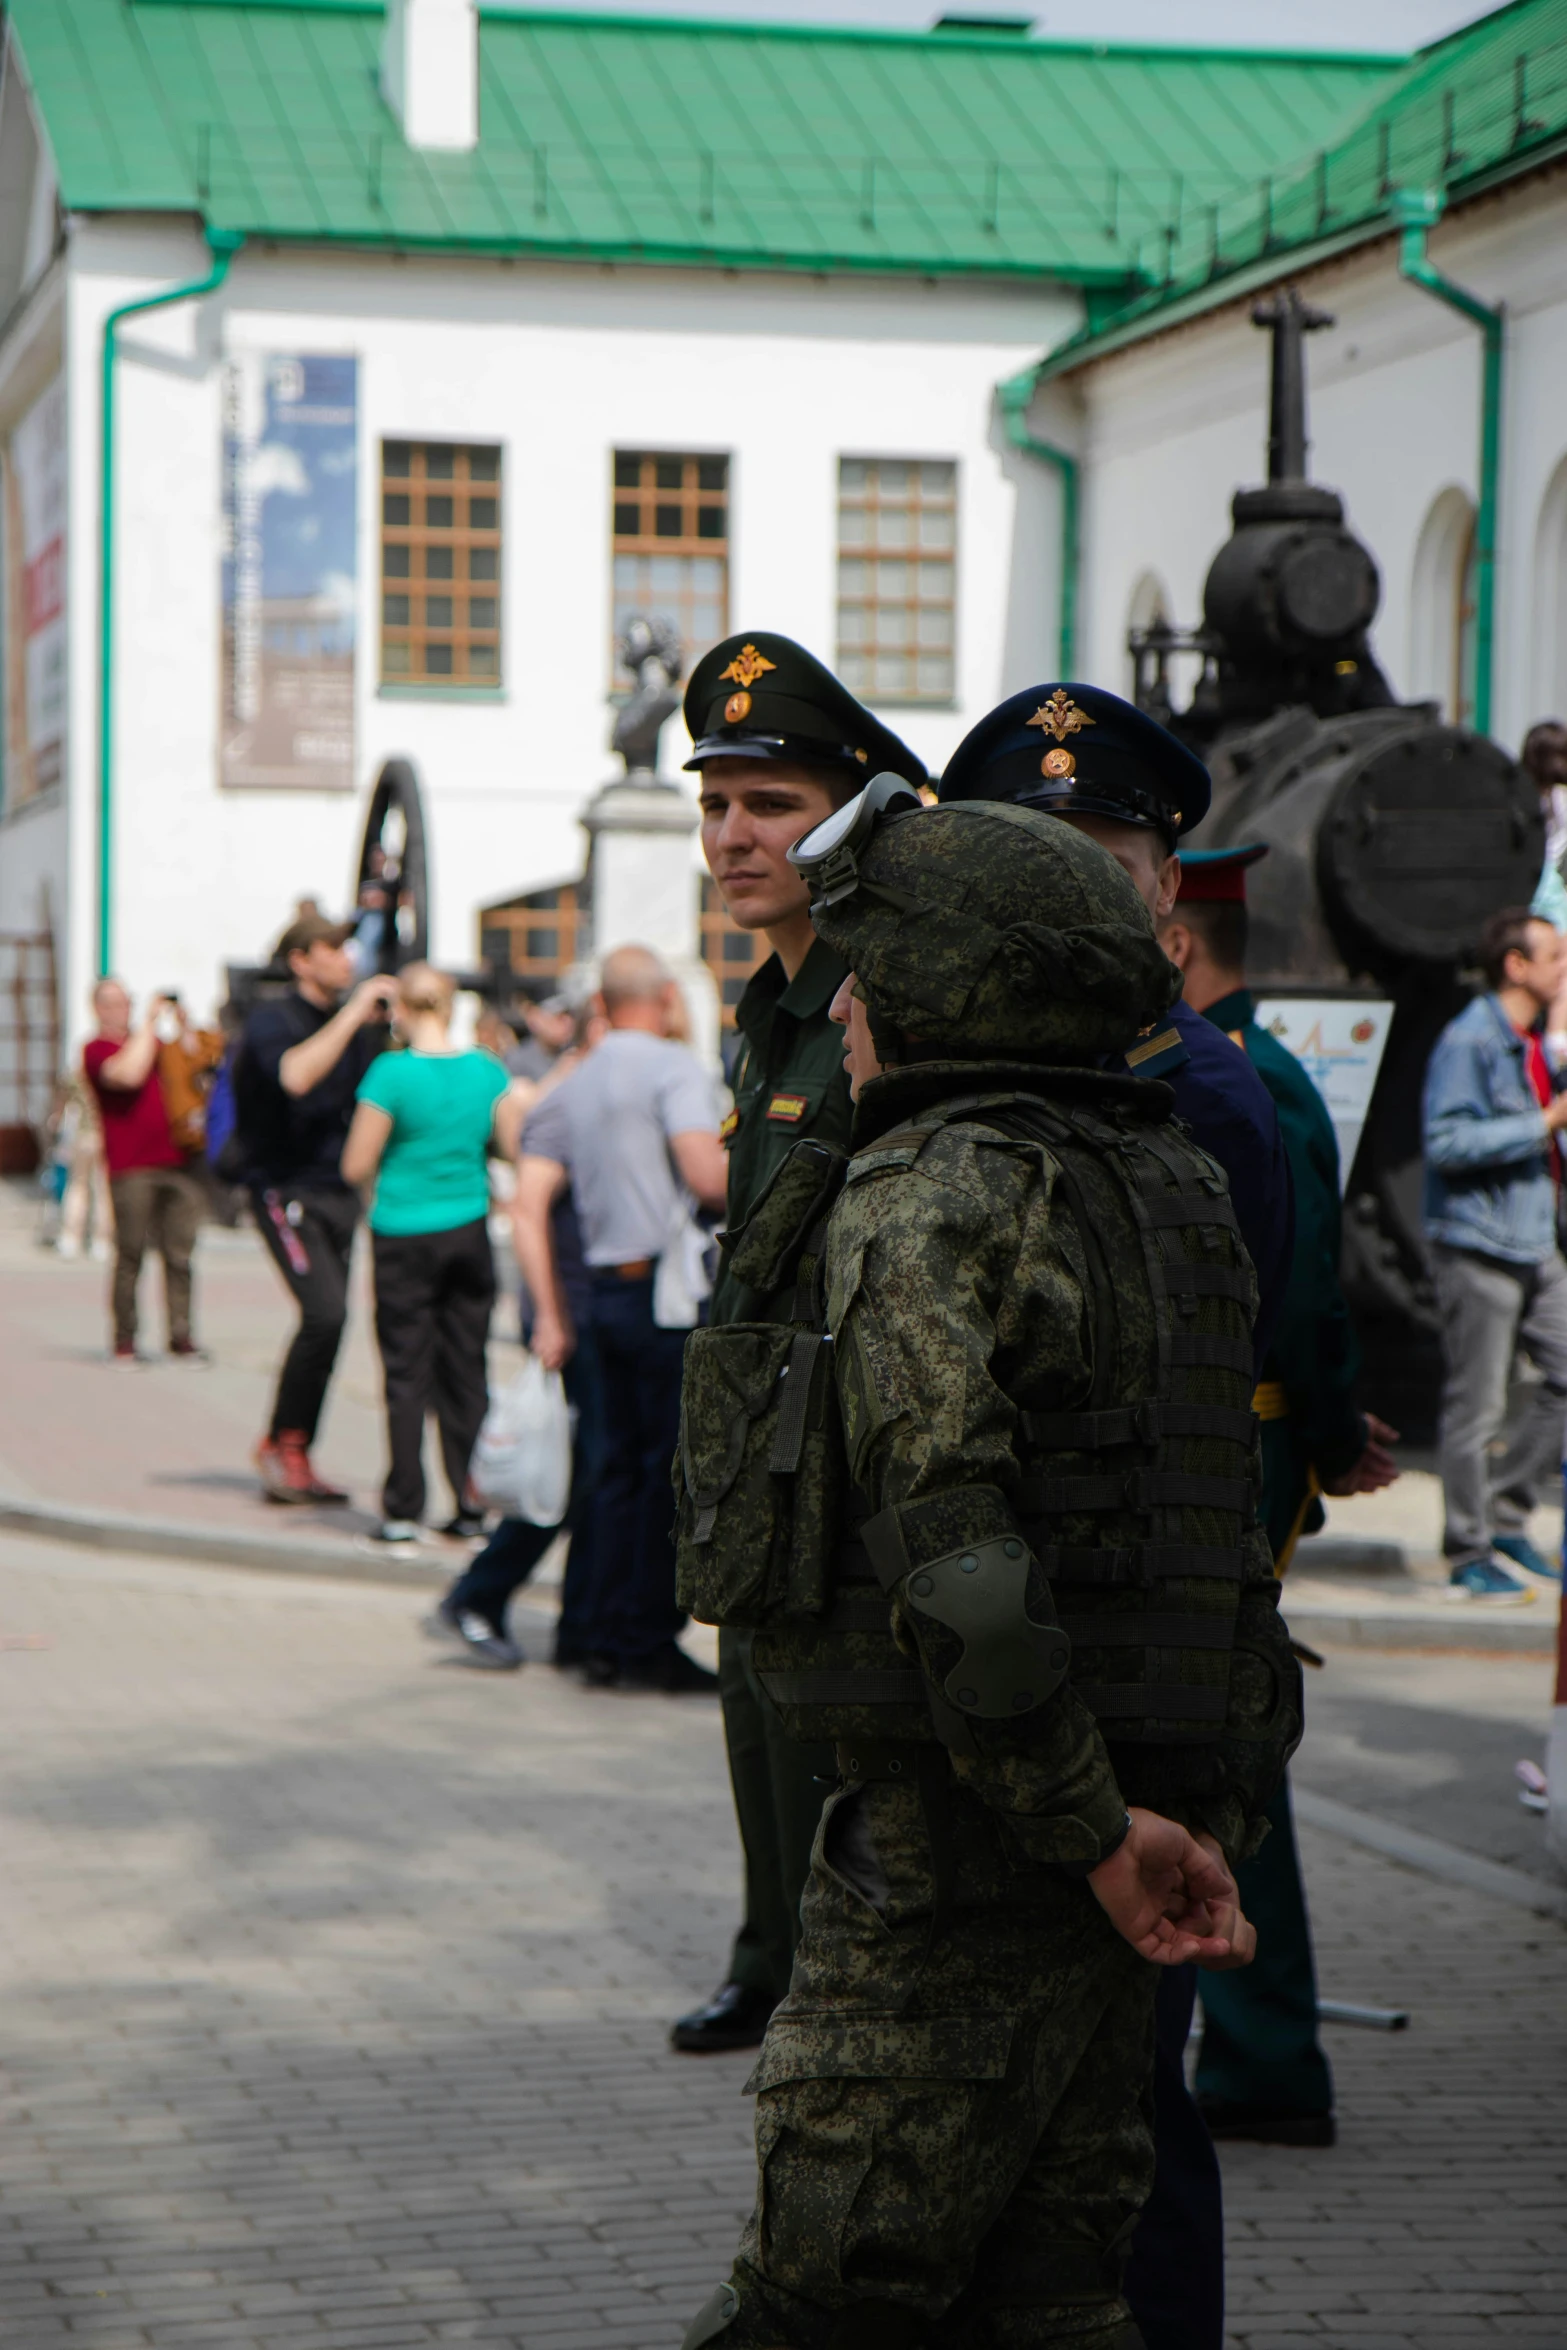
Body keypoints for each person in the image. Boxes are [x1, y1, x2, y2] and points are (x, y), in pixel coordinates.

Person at [679, 789, 1297, 2350]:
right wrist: (1177, 1821)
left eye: (877, 971)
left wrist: (1087, 1827)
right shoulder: (1172, 1185)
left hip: (972, 1848)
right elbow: (1221, 1550)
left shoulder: (935, 1182)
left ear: (964, 985)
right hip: (1136, 1831)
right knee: (1056, 2298)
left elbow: (953, 1552)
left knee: (813, 2301)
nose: (854, 1007)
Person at [939, 682, 1296, 2350]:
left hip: (1123, 1679)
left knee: (1124, 2128)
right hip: (1001, 1677)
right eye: (1032, 851)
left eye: (1104, 852)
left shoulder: (1193, 1099)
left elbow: (1187, 1433)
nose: (1071, 881)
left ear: (1164, 886)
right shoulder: (986, 1076)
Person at [670, 631, 929, 2056]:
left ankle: (824, 1976)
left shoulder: (878, 988)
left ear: (849, 809)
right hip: (758, 1436)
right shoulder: (766, 1003)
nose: (730, 835)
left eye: (766, 803)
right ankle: (765, 1953)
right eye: (713, 803)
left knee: (830, 1733)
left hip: (847, 1442)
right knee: (752, 1708)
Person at [1159, 843, 1400, 2152]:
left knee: (1224, 1749)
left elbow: (1301, 1282)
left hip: (1230, 1443)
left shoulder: (1233, 1071)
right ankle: (1249, 2039)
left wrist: (1320, 1427)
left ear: (1176, 945)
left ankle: (1259, 2051)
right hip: (1246, 1432)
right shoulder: (1256, 1063)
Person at [516, 943, 728, 1692]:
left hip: (600, 1290)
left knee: (610, 1471)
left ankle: (590, 1632)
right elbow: (706, 1178)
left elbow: (531, 1179)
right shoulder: (673, 1067)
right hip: (661, 1302)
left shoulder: (579, 1077)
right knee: (664, 1474)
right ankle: (642, 1639)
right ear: (667, 996)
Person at [425, 1003, 607, 1671]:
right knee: (566, 1471)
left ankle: (578, 1627)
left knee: (593, 1471)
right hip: (572, 1314)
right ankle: (478, 1594)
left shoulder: (595, 1086)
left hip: (596, 1310)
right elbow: (527, 1205)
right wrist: (550, 1319)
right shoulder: (566, 1093)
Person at [1422, 906, 1567, 1604]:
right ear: (1514, 965)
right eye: (1554, 957)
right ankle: (1467, 1550)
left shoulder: (1531, 1039)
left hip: (1535, 1240)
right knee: (1475, 1407)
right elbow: (1446, 1143)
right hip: (1480, 1243)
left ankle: (1508, 1515)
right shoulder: (1469, 1040)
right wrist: (1542, 1121)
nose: (1563, 969)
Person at [340, 963, 509, 1548]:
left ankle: (403, 1508)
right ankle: (471, 1502)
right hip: (467, 1225)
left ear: (401, 1011)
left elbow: (355, 1164)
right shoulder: (486, 1071)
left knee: (407, 1371)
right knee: (467, 1367)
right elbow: (509, 1144)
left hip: (403, 1230)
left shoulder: (390, 1073)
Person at [232, 913, 395, 1503]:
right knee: (324, 1313)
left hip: (337, 1191)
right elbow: (296, 1077)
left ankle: (293, 1443)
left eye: (347, 947)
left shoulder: (356, 1024)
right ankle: (284, 1443)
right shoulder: (272, 1018)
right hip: (283, 1188)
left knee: (333, 1323)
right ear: (301, 959)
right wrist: (355, 1013)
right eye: (332, 948)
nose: (346, 958)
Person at [83, 979, 215, 1362]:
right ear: (97, 1008)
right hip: (132, 1167)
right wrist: (149, 1024)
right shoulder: (97, 1049)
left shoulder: (155, 1044)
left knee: (180, 1254)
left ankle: (181, 1335)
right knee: (131, 1254)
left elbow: (197, 1068)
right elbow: (128, 1075)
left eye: (126, 1002)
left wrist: (185, 1026)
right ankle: (125, 1339)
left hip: (179, 1161)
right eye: (113, 1003)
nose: (121, 1009)